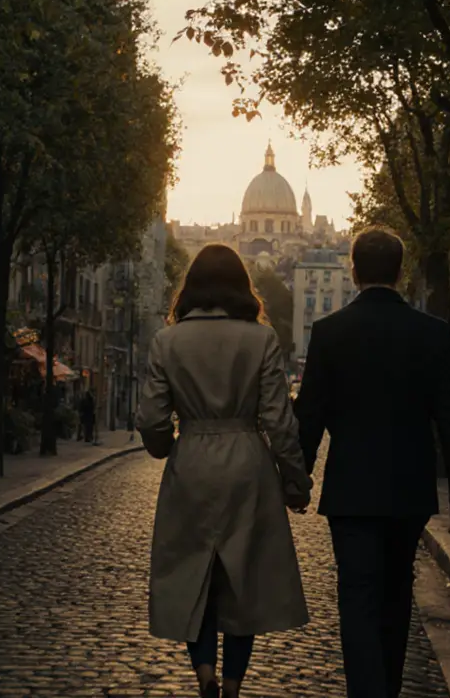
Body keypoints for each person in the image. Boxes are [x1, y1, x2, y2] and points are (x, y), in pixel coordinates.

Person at [294, 228, 450, 698]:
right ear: (401, 270)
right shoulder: (432, 333)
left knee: (357, 598)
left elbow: (310, 414)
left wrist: (297, 478)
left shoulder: (329, 333)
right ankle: (388, 689)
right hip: (409, 486)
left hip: (351, 488)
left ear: (352, 271)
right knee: (397, 595)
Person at [136, 244, 313, 698]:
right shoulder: (262, 339)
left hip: (192, 457)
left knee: (193, 573)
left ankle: (204, 672)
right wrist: (295, 479)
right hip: (247, 462)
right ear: (242, 286)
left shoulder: (167, 341)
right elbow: (279, 420)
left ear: (190, 287)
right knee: (243, 579)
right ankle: (233, 683)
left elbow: (154, 420)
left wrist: (165, 448)